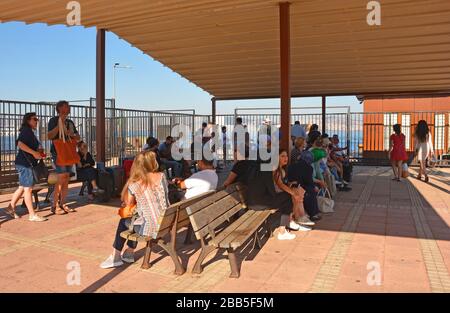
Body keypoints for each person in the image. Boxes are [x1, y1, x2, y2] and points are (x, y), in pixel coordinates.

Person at [100, 151, 169, 269]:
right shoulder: (162, 176)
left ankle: (116, 256)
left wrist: (130, 183)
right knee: (136, 220)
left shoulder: (136, 184)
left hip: (152, 227)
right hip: (167, 222)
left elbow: (128, 204)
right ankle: (129, 253)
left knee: (124, 221)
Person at [5, 113, 47, 222]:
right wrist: (34, 153)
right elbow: (20, 144)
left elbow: (31, 145)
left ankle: (10, 207)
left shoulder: (29, 131)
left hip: (25, 163)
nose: (37, 121)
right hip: (25, 164)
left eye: (37, 119)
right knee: (28, 189)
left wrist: (38, 150)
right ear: (28, 120)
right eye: (34, 119)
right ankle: (32, 215)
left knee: (22, 187)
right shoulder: (26, 131)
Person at [47, 100, 80, 215]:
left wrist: (72, 134)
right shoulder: (53, 120)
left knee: (66, 178)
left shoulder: (70, 122)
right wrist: (59, 123)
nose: (69, 108)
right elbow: (49, 136)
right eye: (67, 106)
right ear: (60, 108)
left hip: (68, 152)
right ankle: (54, 205)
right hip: (58, 152)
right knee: (61, 178)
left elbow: (78, 137)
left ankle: (63, 203)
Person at [288, 150, 321, 221]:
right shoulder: (309, 168)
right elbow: (309, 181)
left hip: (292, 186)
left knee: (309, 190)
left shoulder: (291, 165)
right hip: (301, 187)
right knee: (311, 190)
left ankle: (308, 213)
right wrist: (314, 187)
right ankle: (313, 213)